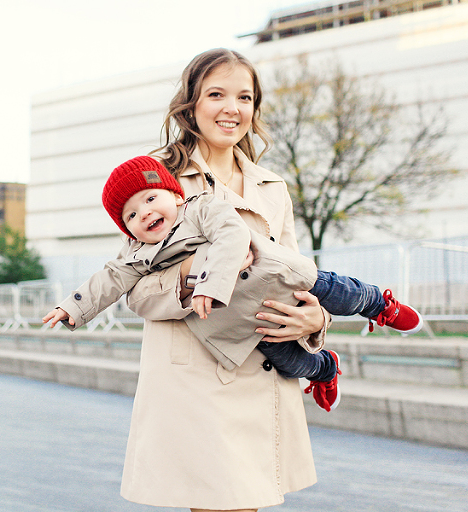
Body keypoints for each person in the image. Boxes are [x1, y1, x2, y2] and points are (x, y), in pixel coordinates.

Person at [105, 47, 394, 511]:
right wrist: (198, 273)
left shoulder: (272, 186)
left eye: (244, 97)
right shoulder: (155, 179)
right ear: (191, 104)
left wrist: (315, 320)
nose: (232, 108)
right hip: (197, 373)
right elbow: (135, 290)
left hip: (264, 361)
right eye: (216, 94)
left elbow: (296, 274)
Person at [43, 156, 421, 412]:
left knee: (338, 291)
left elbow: (232, 235)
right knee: (289, 363)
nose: (145, 213)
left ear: (175, 195)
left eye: (151, 198)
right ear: (127, 229)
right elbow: (110, 280)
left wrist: (209, 283)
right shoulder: (138, 253)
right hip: (250, 319)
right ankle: (325, 369)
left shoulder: (200, 209)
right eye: (131, 215)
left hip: (277, 275)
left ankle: (378, 304)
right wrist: (72, 307)